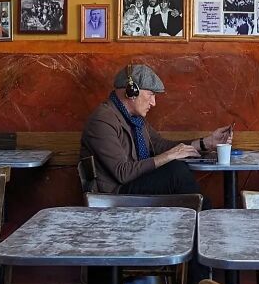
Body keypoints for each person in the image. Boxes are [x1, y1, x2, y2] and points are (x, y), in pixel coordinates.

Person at [80, 63, 233, 195]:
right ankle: (206, 221)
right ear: (131, 92)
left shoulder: (136, 120)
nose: (153, 103)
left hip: (134, 183)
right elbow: (122, 173)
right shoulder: (102, 120)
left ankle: (199, 219)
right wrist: (168, 156)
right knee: (176, 172)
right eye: (151, 95)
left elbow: (159, 145)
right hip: (116, 192)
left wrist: (206, 143)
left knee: (178, 168)